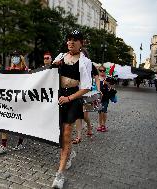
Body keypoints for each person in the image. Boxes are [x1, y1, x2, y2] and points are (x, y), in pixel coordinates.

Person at [51, 30, 92, 189]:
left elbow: (87, 87)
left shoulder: (85, 61)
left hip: (73, 98)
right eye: (69, 39)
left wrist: (70, 98)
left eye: (75, 40)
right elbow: (48, 73)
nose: (71, 42)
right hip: (59, 96)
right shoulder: (60, 57)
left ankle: (59, 175)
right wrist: (54, 66)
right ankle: (69, 153)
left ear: (81, 43)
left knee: (67, 132)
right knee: (61, 134)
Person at [0, 51, 28, 155]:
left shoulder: (25, 70)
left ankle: (20, 142)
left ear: (20, 58)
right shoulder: (9, 69)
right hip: (9, 99)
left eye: (16, 56)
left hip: (20, 99)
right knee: (5, 121)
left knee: (20, 121)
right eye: (13, 57)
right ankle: (3, 145)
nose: (14, 58)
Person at [96, 65, 117, 132]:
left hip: (105, 97)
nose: (102, 72)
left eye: (103, 70)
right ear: (98, 71)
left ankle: (103, 125)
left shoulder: (108, 78)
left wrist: (107, 84)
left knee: (104, 111)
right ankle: (99, 125)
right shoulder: (96, 78)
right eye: (100, 70)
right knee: (99, 112)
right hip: (98, 97)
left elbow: (113, 87)